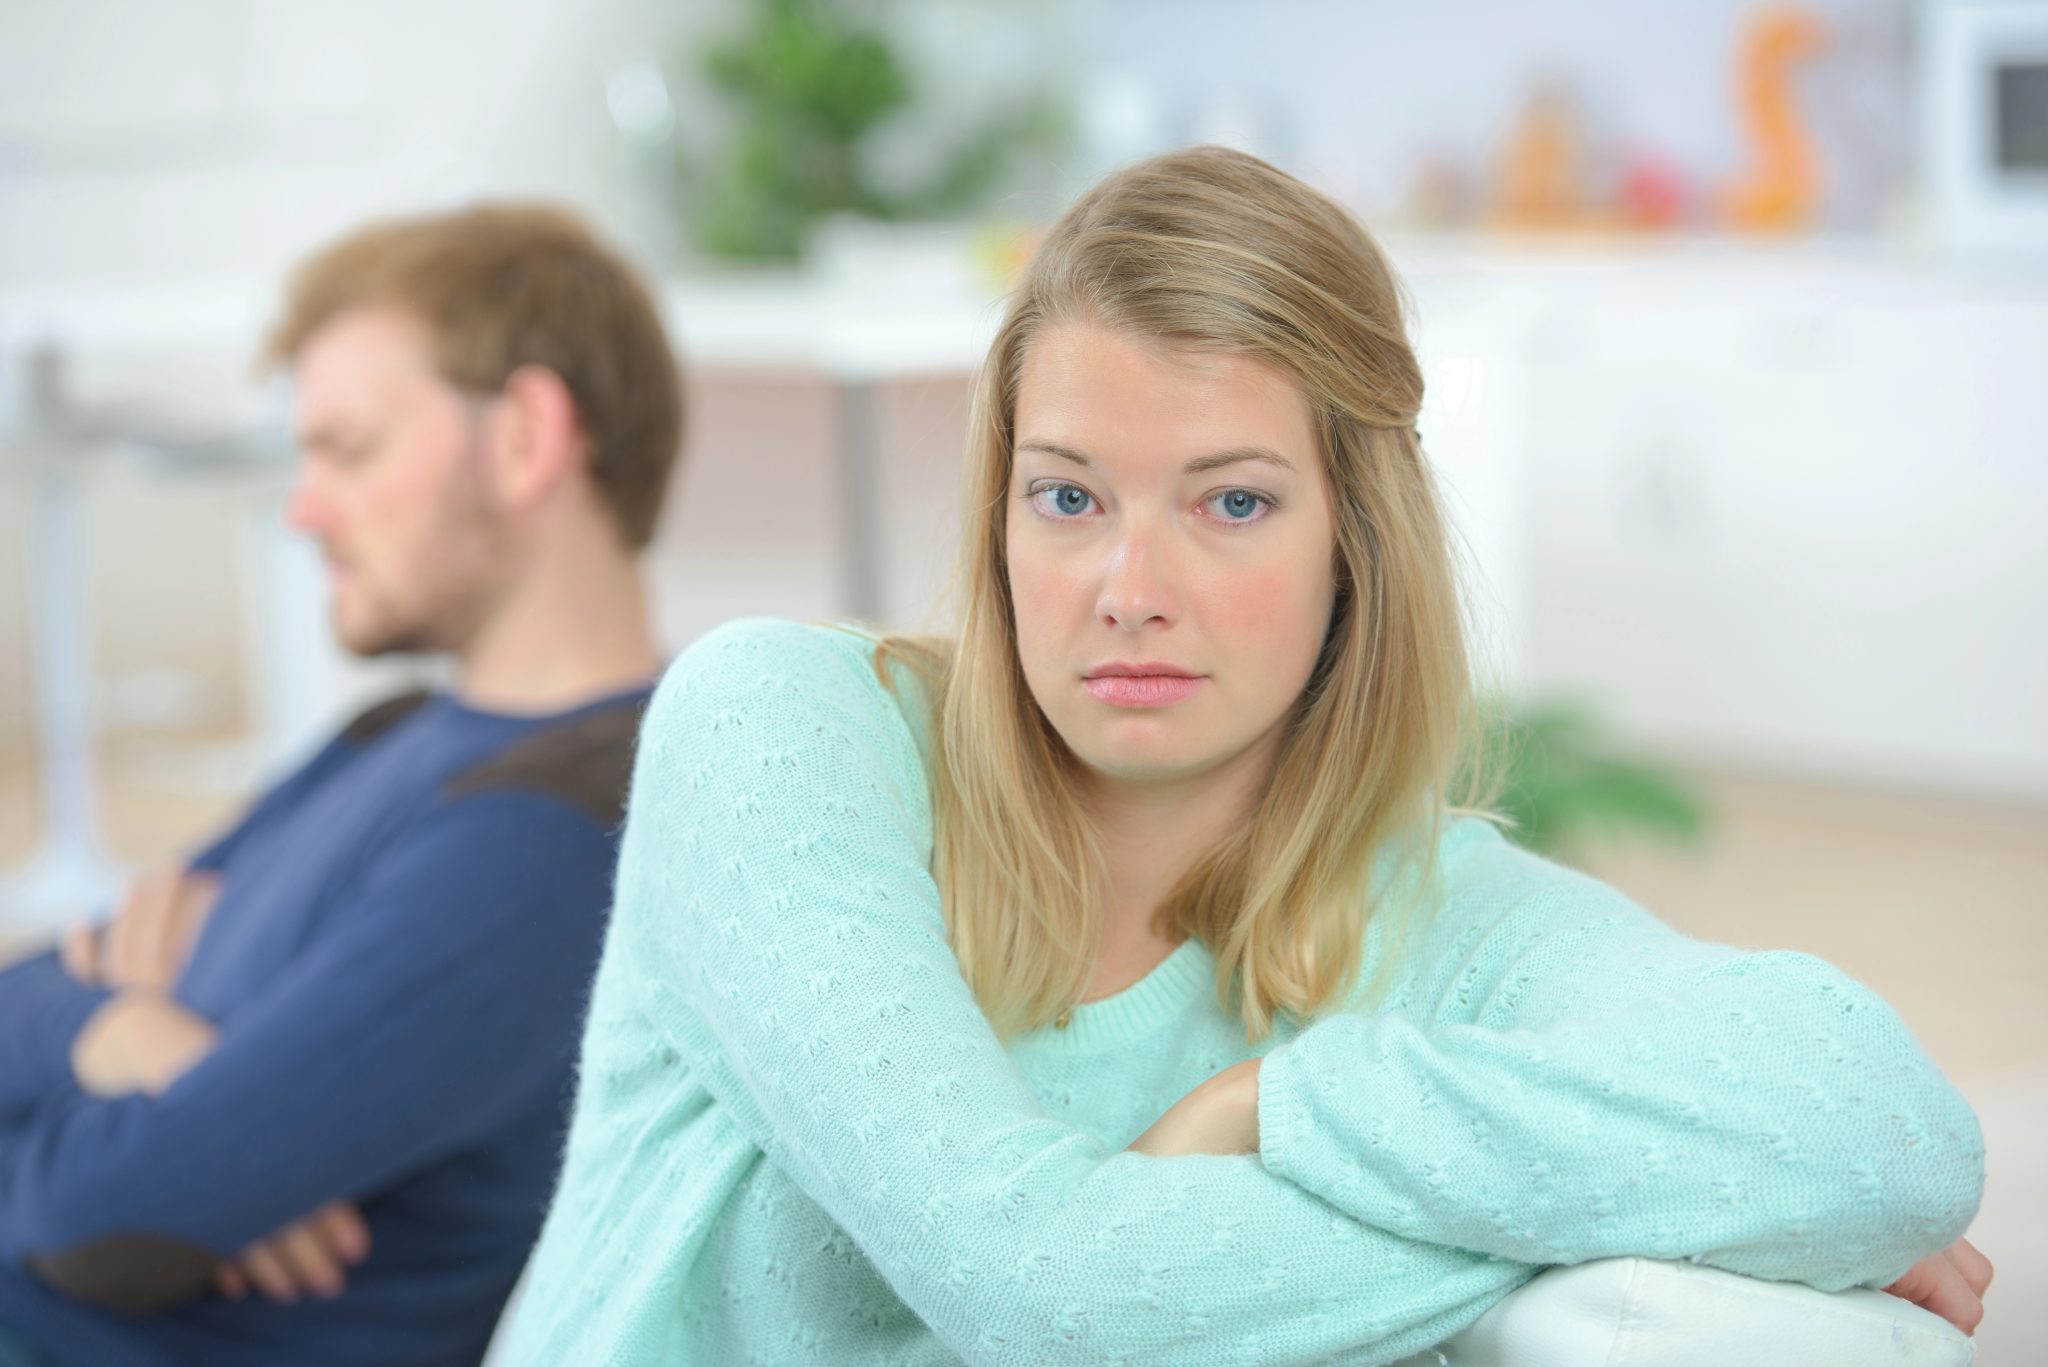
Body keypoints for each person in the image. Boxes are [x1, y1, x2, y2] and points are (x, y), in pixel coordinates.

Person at [497, 147, 1991, 1365]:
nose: (1128, 584)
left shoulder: (1436, 920)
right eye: (1070, 497)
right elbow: (1043, 1291)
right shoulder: (784, 731)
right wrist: (1553, 1218)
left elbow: (1882, 1134)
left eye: (1231, 504)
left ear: (1358, 541)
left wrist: (1276, 1108)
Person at [0, 203, 684, 1367]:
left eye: (348, 449)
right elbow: (38, 986)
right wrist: (132, 1038)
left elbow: (104, 1224)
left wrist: (147, 1075)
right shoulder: (400, 727)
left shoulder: (556, 832)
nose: (302, 507)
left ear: (524, 436)